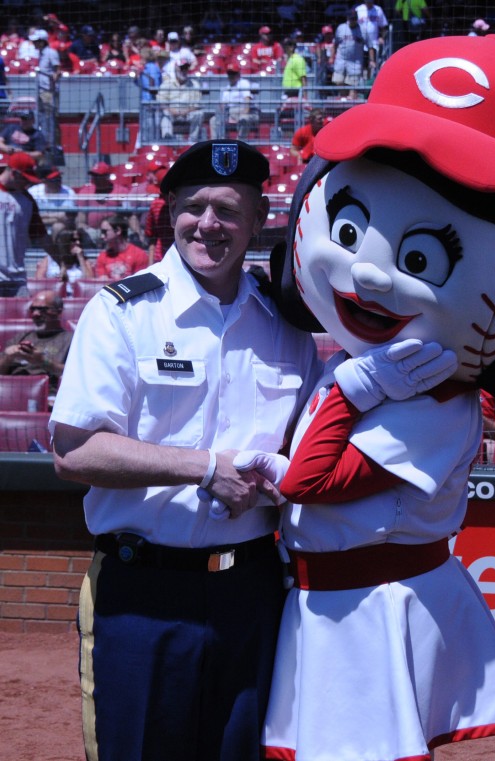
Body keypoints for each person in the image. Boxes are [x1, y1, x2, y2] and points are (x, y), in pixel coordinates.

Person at [258, 34, 495, 759]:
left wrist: (353, 391)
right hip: (325, 602)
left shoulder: (437, 401)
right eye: (350, 229)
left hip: (374, 610)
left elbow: (307, 481)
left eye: (419, 259)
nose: (371, 274)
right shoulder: (359, 364)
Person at [49, 139, 323, 761]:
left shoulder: (288, 332)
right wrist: (202, 470)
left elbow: (303, 453)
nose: (209, 224)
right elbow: (74, 451)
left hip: (251, 594)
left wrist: (289, 480)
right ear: (171, 211)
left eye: (228, 209)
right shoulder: (122, 313)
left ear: (259, 218)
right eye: (194, 206)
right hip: (142, 595)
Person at [0, 152, 56, 296]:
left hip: (17, 279)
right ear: (14, 173)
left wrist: (61, 261)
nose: (27, 183)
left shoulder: (27, 199)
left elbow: (41, 235)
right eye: (25, 179)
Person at [0, 289, 72, 394]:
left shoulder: (69, 340)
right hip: (10, 393)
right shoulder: (20, 337)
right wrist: (8, 357)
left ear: (58, 311)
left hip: (49, 395)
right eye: (32, 309)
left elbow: (73, 375)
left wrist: (42, 361)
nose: (35, 314)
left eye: (42, 309)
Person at [76, 161, 132, 245]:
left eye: (98, 176)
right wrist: (83, 227)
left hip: (116, 230)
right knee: (84, 234)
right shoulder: (85, 192)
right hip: (93, 230)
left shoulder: (121, 191)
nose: (94, 179)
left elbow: (129, 216)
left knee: (131, 235)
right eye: (93, 176)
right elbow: (81, 218)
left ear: (106, 177)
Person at [157, 56, 204, 142]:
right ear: (176, 69)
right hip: (171, 112)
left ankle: (192, 141)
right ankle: (168, 139)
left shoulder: (195, 84)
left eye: (186, 68)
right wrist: (172, 110)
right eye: (181, 68)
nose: (184, 70)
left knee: (199, 113)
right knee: (165, 114)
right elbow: (161, 102)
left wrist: (186, 111)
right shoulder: (167, 84)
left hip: (188, 113)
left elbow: (198, 104)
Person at [35, 229, 95, 293]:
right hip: (53, 295)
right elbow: (38, 281)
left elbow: (89, 282)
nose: (78, 243)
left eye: (79, 240)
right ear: (64, 242)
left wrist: (80, 258)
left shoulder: (84, 260)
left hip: (74, 297)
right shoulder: (50, 259)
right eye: (74, 240)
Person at [94, 214, 149, 280]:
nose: (102, 236)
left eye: (104, 232)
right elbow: (101, 282)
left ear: (118, 231)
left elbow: (140, 281)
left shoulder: (139, 254)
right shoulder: (102, 256)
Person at [29, 162, 77, 236]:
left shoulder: (69, 192)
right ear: (43, 181)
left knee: (58, 226)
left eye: (59, 178)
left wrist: (41, 218)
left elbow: (67, 218)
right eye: (54, 179)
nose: (58, 182)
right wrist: (57, 216)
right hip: (36, 231)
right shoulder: (33, 192)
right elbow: (30, 218)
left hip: (61, 233)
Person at [210, 64, 256, 139]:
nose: (231, 76)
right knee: (213, 120)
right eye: (229, 74)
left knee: (244, 119)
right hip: (229, 112)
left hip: (243, 110)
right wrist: (223, 114)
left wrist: (244, 112)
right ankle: (218, 142)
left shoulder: (243, 83)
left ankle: (240, 143)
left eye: (233, 73)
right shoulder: (227, 88)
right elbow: (223, 104)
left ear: (238, 74)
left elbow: (247, 99)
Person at [332, 9, 367, 98]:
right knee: (338, 81)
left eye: (354, 18)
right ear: (348, 18)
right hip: (341, 59)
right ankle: (343, 98)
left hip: (355, 61)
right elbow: (335, 44)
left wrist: (371, 60)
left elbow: (369, 46)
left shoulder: (362, 29)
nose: (353, 20)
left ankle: (350, 101)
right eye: (351, 18)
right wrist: (332, 56)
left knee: (353, 85)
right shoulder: (341, 28)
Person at [355, 0, 388, 78]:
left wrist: (381, 37)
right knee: (361, 65)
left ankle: (369, 84)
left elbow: (384, 26)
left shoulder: (378, 9)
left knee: (372, 65)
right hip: (361, 44)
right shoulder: (358, 9)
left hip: (374, 43)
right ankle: (361, 83)